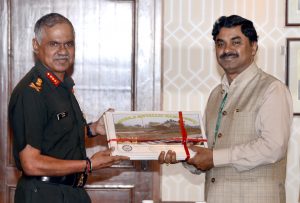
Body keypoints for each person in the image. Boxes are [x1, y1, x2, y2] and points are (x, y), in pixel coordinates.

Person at [159, 15, 293, 203]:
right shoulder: (216, 95)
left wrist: (214, 157)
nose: (227, 50)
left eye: (235, 42)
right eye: (220, 44)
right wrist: (185, 156)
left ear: (253, 47)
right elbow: (206, 154)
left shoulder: (271, 89)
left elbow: (273, 147)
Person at [8, 13, 129, 203]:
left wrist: (92, 129)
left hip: (71, 193)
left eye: (69, 44)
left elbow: (54, 135)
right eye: (54, 44)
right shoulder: (32, 92)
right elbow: (30, 163)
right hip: (44, 194)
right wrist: (89, 164)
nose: (63, 51)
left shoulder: (62, 85)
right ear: (36, 45)